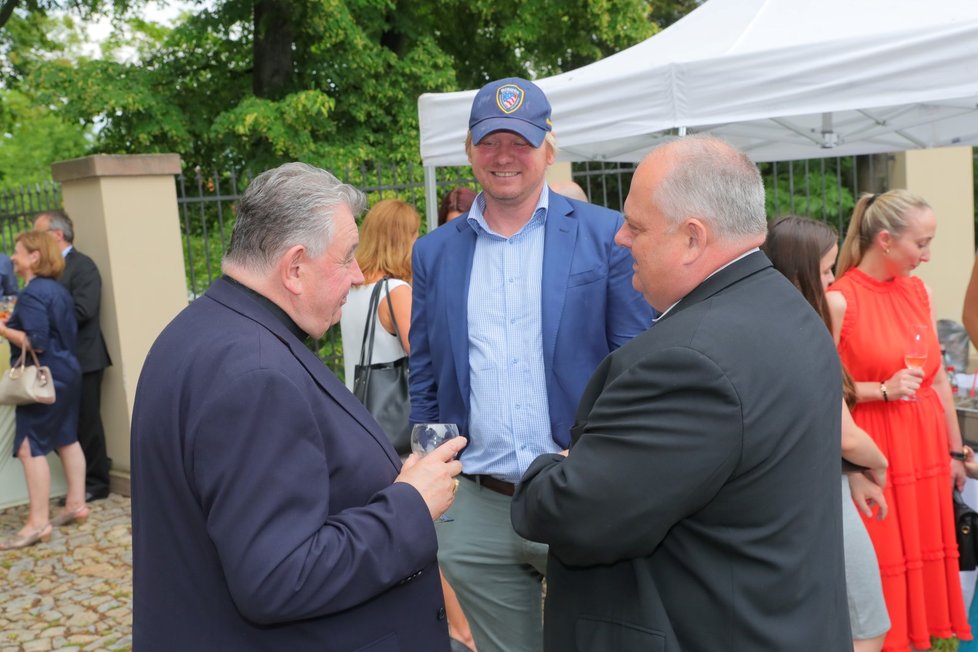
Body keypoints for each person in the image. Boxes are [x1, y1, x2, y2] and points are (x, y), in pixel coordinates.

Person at [510, 136, 851, 652]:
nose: (620, 238)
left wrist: (552, 466)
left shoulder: (688, 360)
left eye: (637, 225)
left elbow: (569, 513)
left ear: (694, 238)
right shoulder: (786, 306)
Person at [130, 162, 466, 650]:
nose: (357, 276)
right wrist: (410, 504)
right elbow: (280, 576)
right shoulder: (257, 373)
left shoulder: (199, 329)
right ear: (294, 267)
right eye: (347, 257)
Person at [410, 77, 652, 652]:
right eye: (489, 142)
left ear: (548, 146)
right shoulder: (435, 252)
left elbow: (637, 364)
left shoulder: (603, 235)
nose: (503, 157)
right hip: (479, 509)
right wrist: (432, 470)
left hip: (580, 496)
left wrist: (606, 457)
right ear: (469, 150)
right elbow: (425, 372)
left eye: (519, 142)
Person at [827, 190, 972, 651]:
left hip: (925, 444)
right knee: (882, 560)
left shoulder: (918, 292)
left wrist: (954, 450)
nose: (928, 256)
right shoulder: (839, 300)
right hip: (876, 451)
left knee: (921, 557)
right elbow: (821, 389)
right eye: (922, 244)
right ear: (886, 240)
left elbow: (938, 381)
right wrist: (881, 390)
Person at [339, 197, 477, 651]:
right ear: (403, 238)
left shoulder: (356, 290)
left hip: (366, 418)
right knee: (426, 523)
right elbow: (428, 353)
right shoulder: (396, 290)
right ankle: (462, 627)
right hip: (399, 428)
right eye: (414, 232)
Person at [763, 215, 891, 652]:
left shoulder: (765, 322)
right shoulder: (802, 329)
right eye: (825, 269)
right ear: (798, 272)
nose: (833, 280)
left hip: (785, 494)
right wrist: (878, 461)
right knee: (866, 623)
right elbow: (844, 435)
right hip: (815, 493)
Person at [0, 231, 86, 549]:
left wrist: (4, 329)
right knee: (66, 438)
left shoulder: (33, 293)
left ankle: (38, 523)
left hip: (43, 378)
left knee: (28, 446)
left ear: (34, 257)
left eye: (18, 251)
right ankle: (76, 503)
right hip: (67, 372)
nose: (13, 257)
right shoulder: (57, 290)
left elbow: (36, 342)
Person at [34, 210, 112, 503]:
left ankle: (97, 482)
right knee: (64, 425)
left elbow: (84, 310)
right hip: (57, 360)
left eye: (39, 233)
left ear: (56, 235)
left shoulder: (83, 267)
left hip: (85, 358)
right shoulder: (48, 270)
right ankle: (78, 486)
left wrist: (40, 321)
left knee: (87, 422)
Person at [340, 199, 417, 390]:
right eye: (416, 235)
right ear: (402, 242)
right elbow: (422, 355)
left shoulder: (352, 287)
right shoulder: (395, 291)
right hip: (394, 411)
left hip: (360, 402)